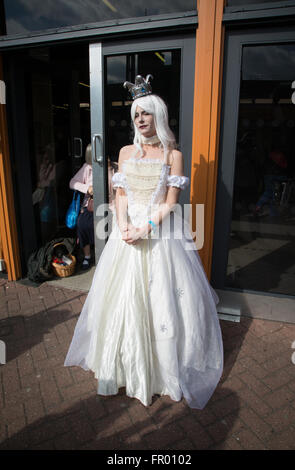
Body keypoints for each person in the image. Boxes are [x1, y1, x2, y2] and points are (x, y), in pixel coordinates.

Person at [64, 75, 223, 410]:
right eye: (136, 114)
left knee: (162, 299)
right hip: (126, 233)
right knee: (123, 300)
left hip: (160, 234)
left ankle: (161, 370)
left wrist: (143, 229)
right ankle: (124, 366)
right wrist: (122, 225)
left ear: (158, 116)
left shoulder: (172, 155)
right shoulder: (124, 152)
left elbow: (170, 203)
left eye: (146, 113)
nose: (140, 119)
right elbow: (119, 194)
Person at [69, 144, 94, 269]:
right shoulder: (87, 168)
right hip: (89, 206)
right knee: (82, 224)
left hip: (107, 206)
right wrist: (87, 189)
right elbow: (72, 183)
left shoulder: (111, 166)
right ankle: (87, 256)